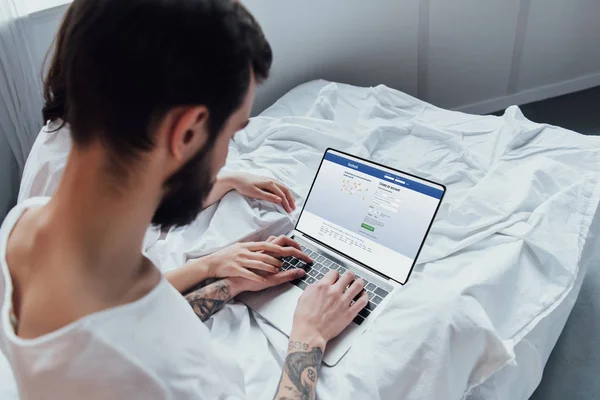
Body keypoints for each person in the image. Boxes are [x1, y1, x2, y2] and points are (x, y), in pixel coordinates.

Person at [0, 1, 368, 399]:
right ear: (187, 131)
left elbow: (125, 323)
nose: (225, 157)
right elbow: (148, 348)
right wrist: (308, 337)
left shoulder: (23, 225)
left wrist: (225, 283)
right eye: (230, 135)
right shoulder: (173, 372)